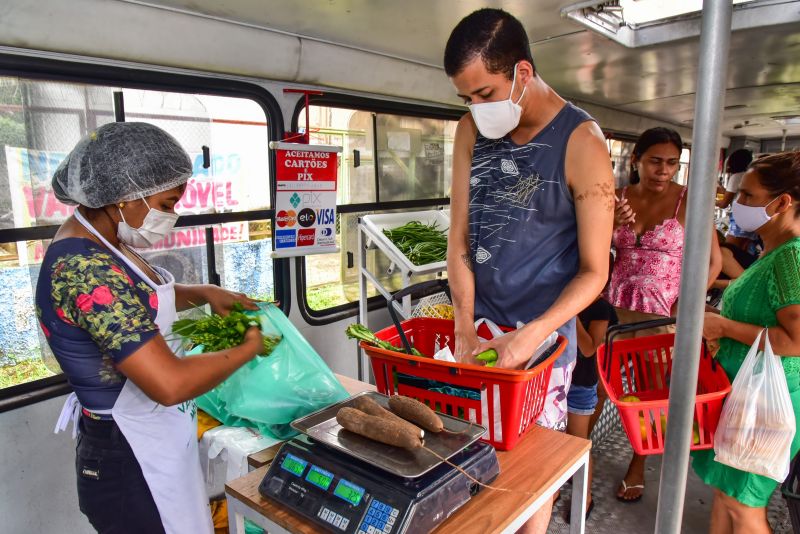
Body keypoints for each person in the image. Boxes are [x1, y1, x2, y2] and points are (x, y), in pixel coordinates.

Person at [35, 122, 264, 534]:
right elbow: (169, 383)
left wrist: (206, 292)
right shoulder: (85, 268)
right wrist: (248, 348)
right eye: (167, 201)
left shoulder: (107, 241)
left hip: (151, 440)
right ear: (124, 196)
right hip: (128, 456)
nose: (172, 214)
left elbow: (142, 297)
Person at [444, 8, 615, 533]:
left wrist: (533, 335)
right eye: (466, 99)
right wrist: (463, 327)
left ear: (522, 72)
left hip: (542, 345)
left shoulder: (582, 142)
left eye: (485, 94)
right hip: (480, 332)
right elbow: (460, 242)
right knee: (467, 477)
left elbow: (594, 271)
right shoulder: (470, 132)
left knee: (528, 488)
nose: (477, 109)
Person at [605, 127, 722, 502]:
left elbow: (714, 262)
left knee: (649, 394)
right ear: (636, 159)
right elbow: (593, 248)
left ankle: (637, 464)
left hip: (661, 315)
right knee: (594, 389)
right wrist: (612, 226)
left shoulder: (690, 201)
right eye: (655, 161)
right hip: (614, 309)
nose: (664, 171)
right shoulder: (616, 198)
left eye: (672, 163)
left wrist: (686, 303)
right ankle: (579, 460)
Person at [694, 151, 800, 534]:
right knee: (727, 494)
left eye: (749, 197)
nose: (737, 205)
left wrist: (723, 327)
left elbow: (795, 340)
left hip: (767, 401)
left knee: (743, 505)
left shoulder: (791, 257)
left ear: (783, 202)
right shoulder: (772, 250)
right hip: (745, 393)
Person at [563, 254, 618, 522]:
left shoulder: (602, 310)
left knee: (578, 443)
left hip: (580, 385)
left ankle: (584, 498)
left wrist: (569, 312)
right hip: (556, 382)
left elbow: (589, 347)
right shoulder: (561, 299)